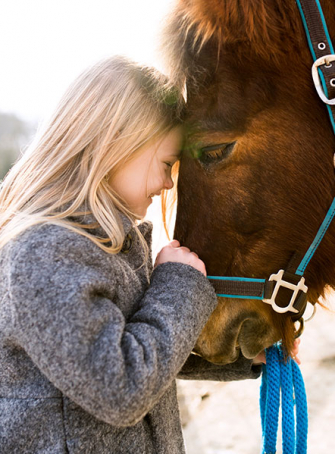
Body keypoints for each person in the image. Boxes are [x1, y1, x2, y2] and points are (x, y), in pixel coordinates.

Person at [0, 55, 263, 454]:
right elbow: (119, 386)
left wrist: (243, 354)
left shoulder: (111, 243)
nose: (167, 184)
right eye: (166, 164)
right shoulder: (41, 254)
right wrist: (177, 285)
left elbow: (141, 344)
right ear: (117, 142)